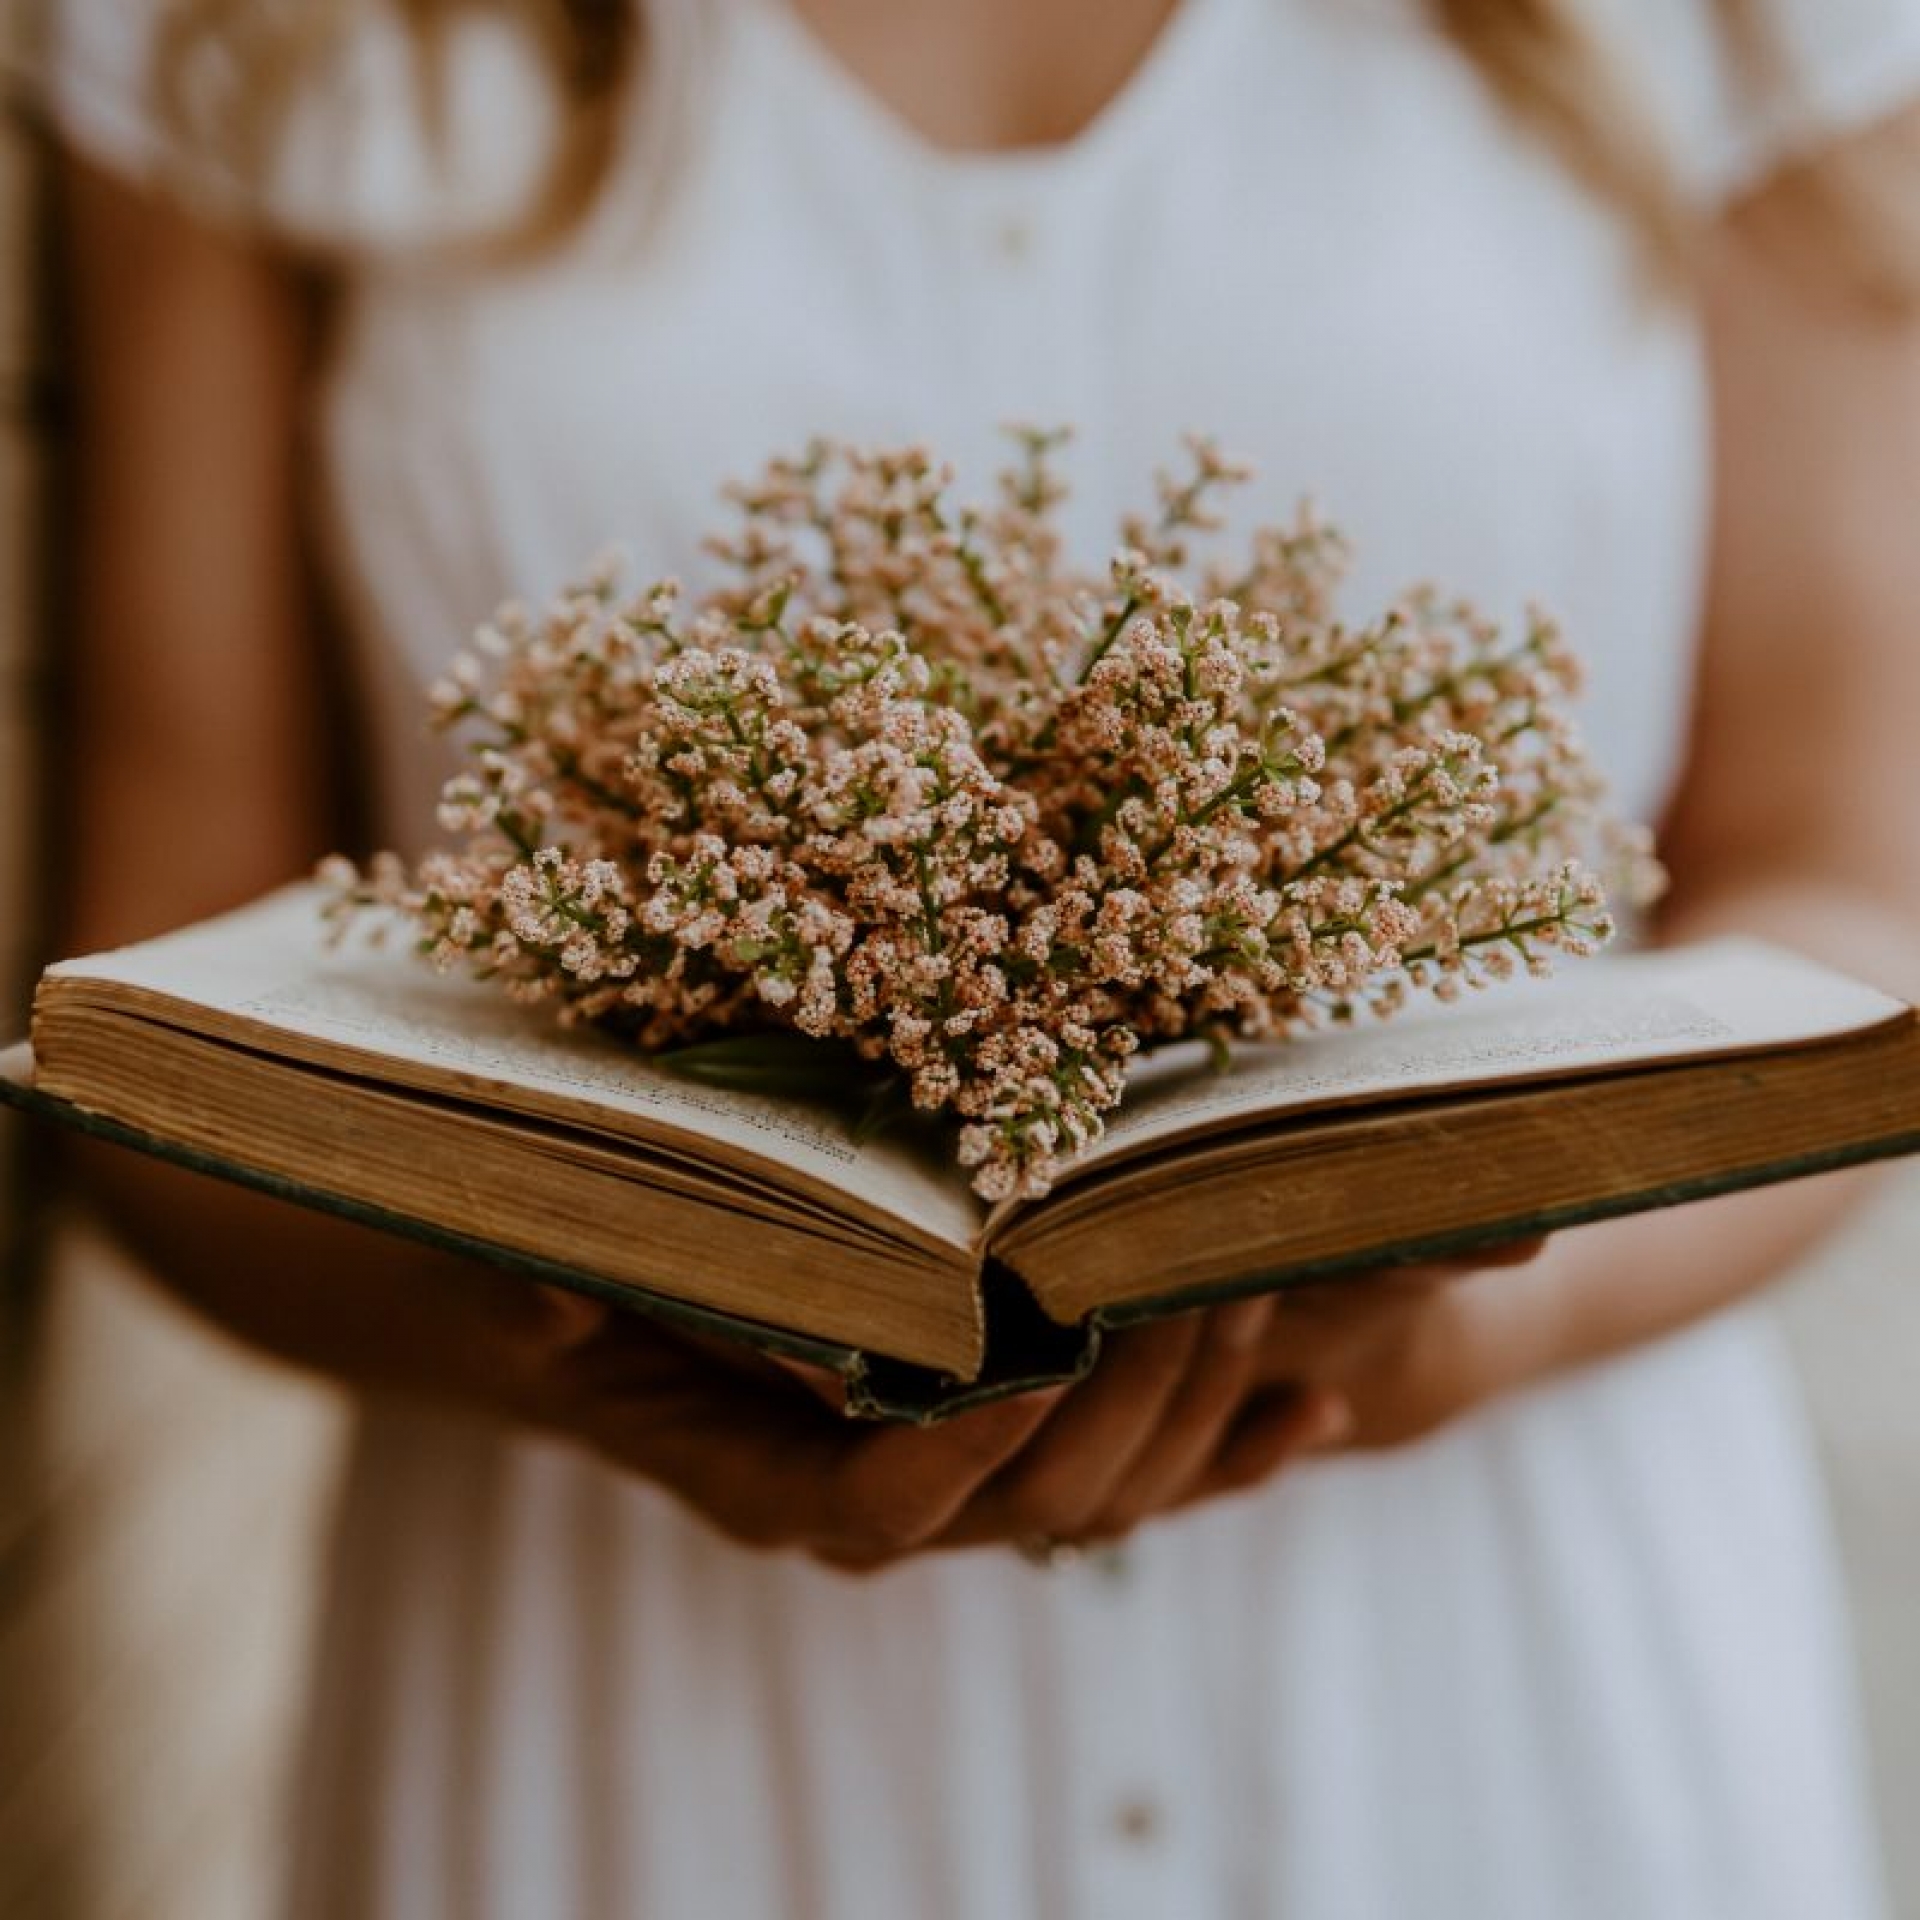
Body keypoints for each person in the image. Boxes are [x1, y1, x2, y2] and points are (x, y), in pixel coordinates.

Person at [42, 0, 1920, 1913]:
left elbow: (1848, 895)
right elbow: (134, 1033)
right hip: (640, 1745)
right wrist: (568, 1331)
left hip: (1505, 1712)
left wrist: (1474, 1317)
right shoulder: (255, 36)